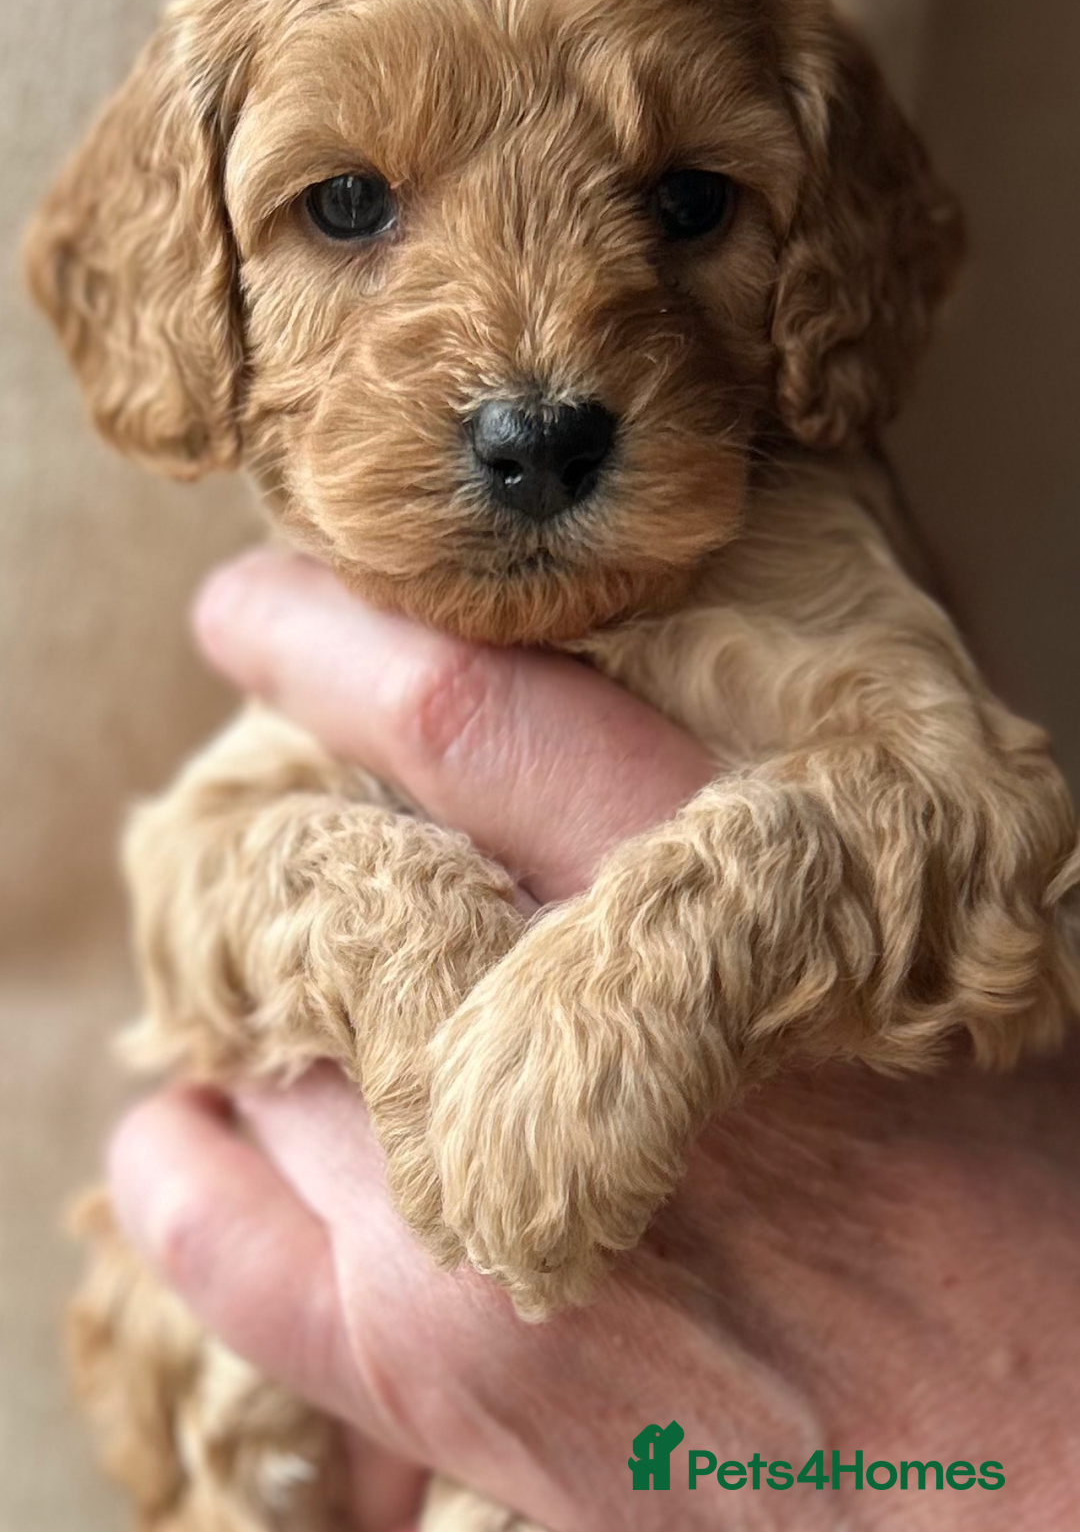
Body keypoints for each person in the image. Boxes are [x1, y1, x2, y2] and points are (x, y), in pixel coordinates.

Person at [108, 552, 1080, 1530]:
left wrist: (658, 964)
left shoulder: (821, 575)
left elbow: (981, 831)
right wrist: (406, 941)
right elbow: (186, 886)